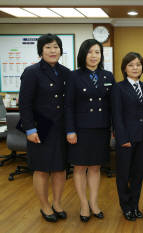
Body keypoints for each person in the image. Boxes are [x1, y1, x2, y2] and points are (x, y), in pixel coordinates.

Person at [19, 33, 70, 222]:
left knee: (59, 168)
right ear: (41, 50)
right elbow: (24, 104)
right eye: (48, 47)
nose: (52, 50)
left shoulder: (65, 72)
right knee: (41, 169)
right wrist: (30, 129)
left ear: (60, 50)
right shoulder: (32, 72)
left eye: (56, 47)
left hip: (61, 128)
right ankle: (45, 205)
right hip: (41, 129)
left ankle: (57, 203)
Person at [65, 39, 115, 222]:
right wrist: (70, 130)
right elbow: (68, 106)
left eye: (97, 52)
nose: (94, 56)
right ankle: (84, 205)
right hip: (81, 129)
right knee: (79, 168)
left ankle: (94, 203)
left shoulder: (108, 76)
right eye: (90, 52)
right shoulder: (74, 76)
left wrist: (113, 128)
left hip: (101, 128)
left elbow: (112, 105)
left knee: (95, 168)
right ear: (83, 54)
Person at [111, 52, 143, 221]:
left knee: (138, 174)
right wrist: (122, 138)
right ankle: (125, 206)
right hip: (126, 139)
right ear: (124, 68)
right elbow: (117, 116)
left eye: (138, 65)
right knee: (124, 175)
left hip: (142, 138)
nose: (135, 68)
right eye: (131, 65)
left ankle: (134, 206)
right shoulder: (118, 88)